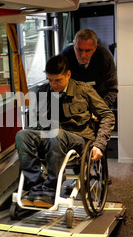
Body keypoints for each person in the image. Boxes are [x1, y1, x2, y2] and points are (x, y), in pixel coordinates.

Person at [15, 54, 115, 208]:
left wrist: (100, 144)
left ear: (68, 74)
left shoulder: (84, 90)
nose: (53, 85)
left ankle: (50, 190)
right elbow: (35, 123)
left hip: (78, 139)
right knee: (23, 135)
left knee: (56, 134)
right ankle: (36, 187)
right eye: (50, 80)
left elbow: (107, 115)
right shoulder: (44, 92)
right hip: (51, 137)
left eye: (58, 80)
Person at [60, 29, 118, 109]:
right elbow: (56, 87)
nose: (83, 55)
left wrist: (101, 108)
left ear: (95, 48)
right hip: (72, 105)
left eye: (88, 51)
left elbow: (112, 88)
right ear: (74, 45)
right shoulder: (63, 58)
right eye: (79, 50)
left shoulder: (104, 57)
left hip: (99, 102)